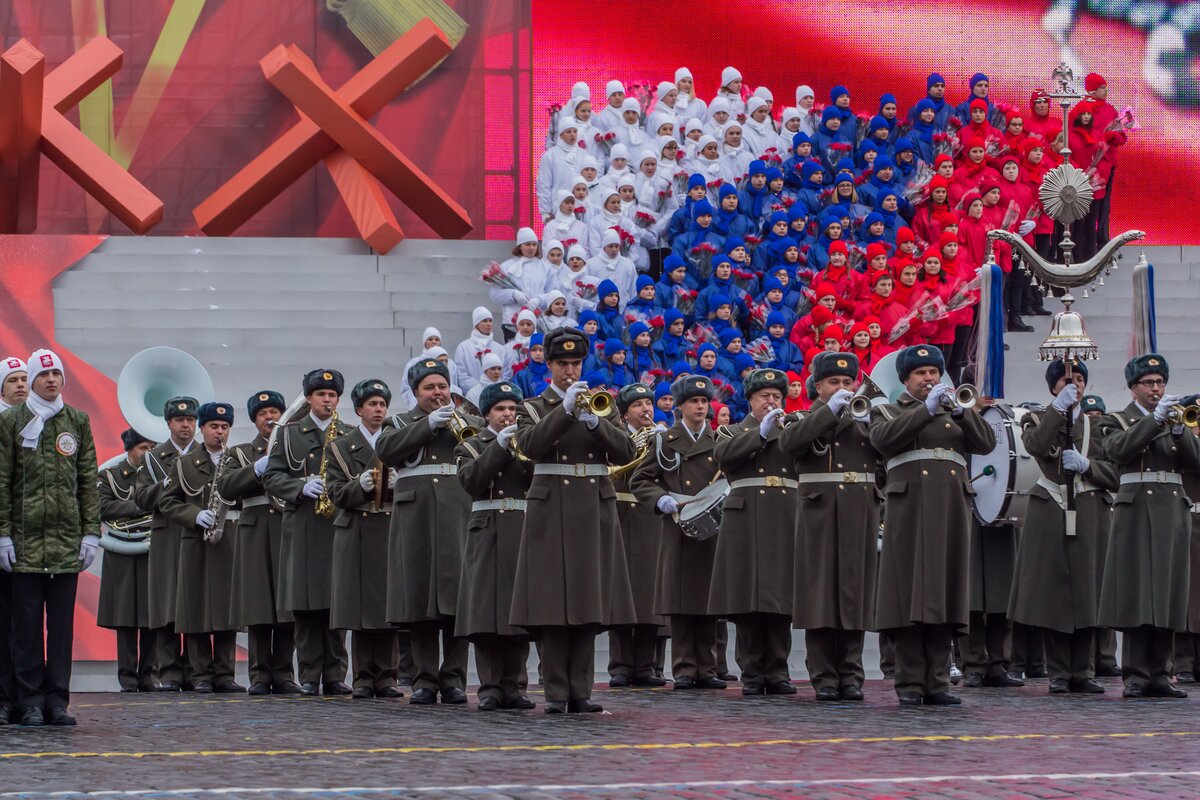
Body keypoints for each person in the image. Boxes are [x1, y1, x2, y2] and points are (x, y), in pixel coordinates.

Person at [511, 327, 637, 713]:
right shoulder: (532, 406)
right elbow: (528, 448)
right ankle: (555, 691)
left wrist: (596, 422)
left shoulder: (604, 405)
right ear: (548, 365)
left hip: (592, 507)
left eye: (576, 363)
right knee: (552, 604)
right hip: (551, 510)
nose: (570, 370)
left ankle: (581, 691)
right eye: (562, 364)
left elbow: (626, 451)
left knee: (587, 603)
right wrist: (564, 411)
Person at [868, 346, 995, 705]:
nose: (929, 380)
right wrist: (925, 411)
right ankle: (909, 683)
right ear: (905, 380)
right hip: (909, 510)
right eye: (921, 374)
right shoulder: (887, 409)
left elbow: (985, 443)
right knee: (909, 595)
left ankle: (937, 682)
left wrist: (962, 412)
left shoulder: (957, 411)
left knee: (945, 594)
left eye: (934, 373)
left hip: (951, 510)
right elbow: (882, 440)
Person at [0, 349, 99, 726]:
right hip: (24, 545)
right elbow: (3, 482)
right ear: (33, 379)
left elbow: (88, 482)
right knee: (25, 627)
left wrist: (91, 532)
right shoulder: (11, 422)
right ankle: (29, 701)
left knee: (60, 627)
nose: (51, 380)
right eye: (43, 375)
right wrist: (3, 536)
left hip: (65, 543)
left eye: (56, 373)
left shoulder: (78, 420)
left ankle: (57, 699)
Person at [1009, 362, 1118, 694]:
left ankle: (1083, 671)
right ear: (1053, 387)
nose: (1076, 385)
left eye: (1080, 379)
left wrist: (1088, 466)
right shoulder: (1037, 418)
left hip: (1089, 510)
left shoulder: (1098, 426)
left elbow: (1116, 474)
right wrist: (1057, 411)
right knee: (1053, 594)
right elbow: (1037, 446)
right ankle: (1057, 671)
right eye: (1067, 380)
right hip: (1051, 508)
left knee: (1088, 593)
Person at [780, 352, 882, 702]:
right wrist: (828, 413)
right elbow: (790, 445)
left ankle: (851, 675)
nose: (842, 388)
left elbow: (885, 454)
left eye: (846, 382)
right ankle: (823, 675)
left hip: (858, 511)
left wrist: (870, 419)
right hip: (818, 512)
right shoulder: (802, 418)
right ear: (818, 386)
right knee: (819, 594)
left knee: (854, 594)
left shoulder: (865, 417)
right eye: (834, 383)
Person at [376, 359, 478, 706]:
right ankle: (424, 679)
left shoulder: (468, 420)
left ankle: (454, 679)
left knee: (456, 601)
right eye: (430, 388)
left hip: (456, 514)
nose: (438, 394)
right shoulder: (400, 422)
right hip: (415, 517)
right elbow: (386, 451)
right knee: (418, 602)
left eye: (442, 386)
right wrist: (426, 426)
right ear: (416, 392)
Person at [1099, 354, 1200, 698]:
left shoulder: (1177, 421)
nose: (1156, 389)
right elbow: (1117, 450)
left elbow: (1197, 462)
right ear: (1133, 388)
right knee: (1137, 593)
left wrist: (1179, 431)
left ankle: (1162, 672)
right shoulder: (1117, 419)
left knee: (1169, 594)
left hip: (1172, 510)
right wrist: (1154, 422)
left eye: (1160, 383)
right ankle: (1136, 674)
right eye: (1148, 383)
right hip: (1137, 510)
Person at [630, 375, 727, 690]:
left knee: (709, 602)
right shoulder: (664, 441)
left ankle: (708, 667)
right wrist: (660, 498)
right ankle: (685, 668)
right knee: (682, 602)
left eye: (704, 402)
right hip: (678, 525)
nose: (700, 407)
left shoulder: (721, 439)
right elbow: (640, 480)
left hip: (712, 525)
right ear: (680, 407)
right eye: (693, 402)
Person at [263, 370, 352, 696]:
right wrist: (299, 486)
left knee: (335, 604)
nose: (327, 400)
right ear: (309, 399)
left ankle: (335, 674)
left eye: (332, 395)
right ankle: (310, 674)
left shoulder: (347, 432)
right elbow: (272, 476)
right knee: (304, 606)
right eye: (321, 394)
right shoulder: (289, 434)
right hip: (302, 525)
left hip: (337, 526)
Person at [709, 368, 797, 696]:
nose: (771, 402)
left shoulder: (792, 430)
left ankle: (778, 671)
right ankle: (751, 672)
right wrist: (759, 434)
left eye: (776, 397)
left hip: (783, 517)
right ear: (751, 401)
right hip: (745, 520)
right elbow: (724, 457)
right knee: (748, 603)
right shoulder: (731, 431)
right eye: (765, 397)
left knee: (779, 602)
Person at [454, 381, 536, 711]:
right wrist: (499, 447)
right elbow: (471, 481)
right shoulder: (471, 445)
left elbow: (536, 478)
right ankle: (489, 686)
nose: (507, 415)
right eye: (500, 409)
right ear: (487, 413)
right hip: (486, 531)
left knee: (518, 616)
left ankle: (516, 686)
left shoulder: (529, 445)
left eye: (512, 409)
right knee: (486, 616)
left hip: (520, 530)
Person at [217, 390, 300, 696]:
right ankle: (260, 675)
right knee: (259, 607)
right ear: (254, 419)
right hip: (253, 529)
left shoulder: (293, 448)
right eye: (263, 413)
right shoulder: (238, 453)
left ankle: (284, 673)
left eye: (275, 412)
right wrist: (255, 469)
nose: (270, 418)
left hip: (285, 527)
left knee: (286, 607)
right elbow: (225, 487)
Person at [324, 380, 403, 699]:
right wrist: (361, 486)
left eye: (382, 404)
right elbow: (336, 493)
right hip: (356, 527)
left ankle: (387, 676)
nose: (378, 410)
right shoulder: (341, 446)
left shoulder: (396, 442)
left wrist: (397, 486)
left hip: (388, 528)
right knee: (360, 609)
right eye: (372, 404)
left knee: (389, 606)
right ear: (358, 410)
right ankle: (363, 677)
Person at [158, 402, 242, 694]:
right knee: (195, 609)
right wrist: (194, 515)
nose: (219, 432)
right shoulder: (183, 463)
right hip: (195, 542)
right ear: (203, 428)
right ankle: (200, 674)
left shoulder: (236, 460)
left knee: (225, 609)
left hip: (227, 540)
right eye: (213, 427)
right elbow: (168, 502)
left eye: (224, 427)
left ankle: (225, 673)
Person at [135, 396, 199, 692]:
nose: (186, 425)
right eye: (179, 420)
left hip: (197, 533)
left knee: (197, 602)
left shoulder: (205, 452)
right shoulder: (152, 458)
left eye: (190, 420)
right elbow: (141, 499)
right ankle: (170, 671)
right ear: (169, 423)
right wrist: (165, 484)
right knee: (167, 606)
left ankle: (197, 670)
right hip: (166, 534)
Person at [608, 384, 668, 688]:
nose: (646, 409)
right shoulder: (614, 435)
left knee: (647, 593)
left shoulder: (660, 437)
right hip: (619, 513)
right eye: (639, 405)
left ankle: (645, 666)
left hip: (648, 516)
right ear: (625, 412)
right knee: (621, 594)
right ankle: (619, 666)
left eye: (649, 403)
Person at [96, 428, 157, 692]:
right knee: (125, 617)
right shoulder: (109, 475)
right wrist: (140, 506)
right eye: (144, 448)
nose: (149, 453)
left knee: (152, 614)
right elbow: (103, 507)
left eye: (152, 448)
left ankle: (149, 675)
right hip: (121, 550)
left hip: (152, 549)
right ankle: (128, 677)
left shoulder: (159, 476)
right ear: (130, 449)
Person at [454, 307, 504, 394]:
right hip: (473, 395)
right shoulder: (463, 347)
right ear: (476, 324)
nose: (489, 324)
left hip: (497, 394)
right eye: (484, 321)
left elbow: (505, 374)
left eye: (490, 320)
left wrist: (496, 389)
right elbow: (461, 376)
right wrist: (480, 388)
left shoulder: (499, 348)